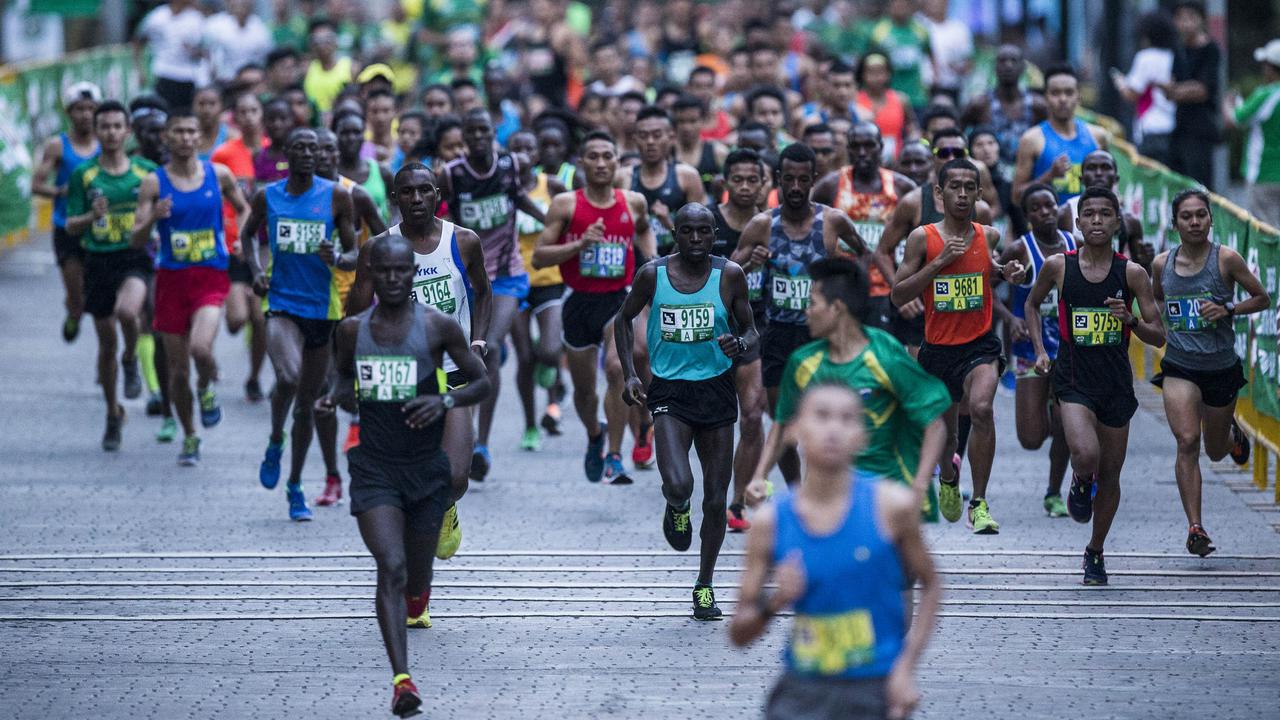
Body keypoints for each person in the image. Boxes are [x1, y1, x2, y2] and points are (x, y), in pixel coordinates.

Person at [317, 233, 490, 718]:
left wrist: (444, 399)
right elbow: (342, 379)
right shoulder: (351, 330)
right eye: (382, 272)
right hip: (375, 467)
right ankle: (402, 681)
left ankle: (421, 591)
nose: (392, 279)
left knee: (416, 570)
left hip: (424, 469)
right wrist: (334, 398)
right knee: (389, 567)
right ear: (371, 277)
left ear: (412, 276)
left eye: (401, 272)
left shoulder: (437, 328)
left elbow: (480, 381)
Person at [729, 382, 942, 720]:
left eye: (847, 419)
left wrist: (906, 667)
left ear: (862, 436)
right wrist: (776, 602)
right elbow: (738, 634)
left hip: (874, 689)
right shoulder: (773, 521)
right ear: (794, 431)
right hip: (801, 693)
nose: (833, 429)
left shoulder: (892, 507)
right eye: (822, 416)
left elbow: (931, 583)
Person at [615, 203, 758, 619]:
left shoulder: (729, 274)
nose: (696, 239)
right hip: (670, 392)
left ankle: (705, 585)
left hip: (715, 391)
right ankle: (676, 506)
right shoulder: (652, 275)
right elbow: (622, 321)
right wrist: (629, 375)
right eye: (687, 231)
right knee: (679, 483)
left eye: (703, 232)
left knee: (715, 499)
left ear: (715, 234)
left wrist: (740, 343)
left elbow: (750, 329)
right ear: (674, 234)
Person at [347, 162, 492, 562]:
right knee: (407, 477)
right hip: (401, 378)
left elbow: (482, 290)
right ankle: (414, 577)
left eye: (424, 190)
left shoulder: (463, 241)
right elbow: (354, 317)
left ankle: (446, 507)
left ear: (437, 196)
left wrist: (477, 340)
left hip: (454, 371)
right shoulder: (379, 249)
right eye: (407, 192)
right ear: (394, 199)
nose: (416, 199)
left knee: (456, 478)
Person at [1023, 187, 1165, 585]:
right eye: (1089, 214)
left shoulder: (1132, 273)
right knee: (1085, 454)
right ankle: (1080, 480)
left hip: (1116, 384)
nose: (1097, 220)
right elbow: (1032, 304)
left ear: (1118, 222)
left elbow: (1158, 335)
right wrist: (1039, 349)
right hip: (1072, 377)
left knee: (1112, 473)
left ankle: (1095, 551)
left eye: (1106, 214)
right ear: (1078, 222)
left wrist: (1131, 321)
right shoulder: (1059, 266)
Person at [748, 256, 950, 525]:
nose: (805, 312)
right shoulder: (802, 362)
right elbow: (783, 424)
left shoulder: (884, 354)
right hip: (826, 501)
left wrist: (920, 485)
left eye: (812, 304)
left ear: (837, 308)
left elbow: (935, 424)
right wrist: (759, 476)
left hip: (886, 499)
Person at [891, 158, 1025, 534]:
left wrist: (1006, 273)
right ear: (939, 192)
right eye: (955, 187)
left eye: (970, 187)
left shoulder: (988, 235)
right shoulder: (923, 238)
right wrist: (938, 263)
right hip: (938, 350)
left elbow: (991, 267)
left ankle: (980, 502)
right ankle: (949, 478)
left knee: (981, 408)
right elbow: (899, 294)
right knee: (947, 437)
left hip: (980, 345)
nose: (962, 194)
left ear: (979, 193)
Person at [238, 127, 359, 520]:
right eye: (300, 147)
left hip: (322, 309)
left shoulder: (337, 196)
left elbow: (354, 249)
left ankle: (294, 486)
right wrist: (256, 272)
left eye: (314, 147)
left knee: (307, 406)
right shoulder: (267, 195)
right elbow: (247, 234)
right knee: (289, 379)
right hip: (282, 303)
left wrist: (338, 257)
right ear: (287, 153)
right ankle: (275, 439)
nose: (308, 153)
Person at [732, 142, 863, 488]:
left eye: (802, 180)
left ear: (812, 180)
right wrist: (751, 263)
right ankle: (797, 490)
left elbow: (865, 256)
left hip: (823, 336)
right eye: (788, 179)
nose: (794, 187)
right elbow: (729, 274)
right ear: (777, 179)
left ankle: (827, 484)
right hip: (777, 334)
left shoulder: (832, 221)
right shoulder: (762, 225)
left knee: (826, 415)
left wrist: (846, 288)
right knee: (783, 419)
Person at [532, 130, 655, 484]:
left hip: (619, 299)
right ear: (582, 163)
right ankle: (594, 436)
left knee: (618, 369)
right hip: (578, 301)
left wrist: (650, 258)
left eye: (608, 156)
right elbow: (540, 257)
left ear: (617, 162)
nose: (601, 163)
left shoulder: (633, 202)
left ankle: (615, 456)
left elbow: (644, 229)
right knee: (585, 392)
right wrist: (580, 245)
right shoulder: (566, 205)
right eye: (594, 157)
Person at [1151, 189, 1269, 556]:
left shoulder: (1226, 260)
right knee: (1187, 440)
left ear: (1211, 220)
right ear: (1175, 224)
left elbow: (1262, 297)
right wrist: (1163, 327)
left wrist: (1228, 309)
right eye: (1187, 216)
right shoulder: (1161, 264)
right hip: (1180, 365)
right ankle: (1195, 527)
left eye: (1201, 215)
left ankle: (1232, 434)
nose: (1195, 222)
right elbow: (1157, 298)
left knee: (1215, 451)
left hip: (1220, 367)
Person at [130, 109, 249, 465]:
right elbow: (136, 238)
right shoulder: (154, 183)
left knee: (201, 348)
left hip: (210, 276)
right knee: (178, 372)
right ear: (167, 137)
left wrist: (239, 239)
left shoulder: (219, 174)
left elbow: (243, 209)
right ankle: (190, 435)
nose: (184, 137)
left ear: (199, 137)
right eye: (177, 131)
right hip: (171, 280)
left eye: (190, 131)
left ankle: (207, 387)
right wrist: (152, 217)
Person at [441, 109, 546, 481]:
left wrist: (553, 223)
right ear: (465, 137)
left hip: (506, 274)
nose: (479, 136)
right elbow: (442, 217)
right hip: (465, 276)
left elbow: (520, 200)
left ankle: (480, 443)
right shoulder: (451, 174)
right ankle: (461, 429)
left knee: (491, 345)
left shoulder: (510, 165)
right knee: (464, 352)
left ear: (494, 134)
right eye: (472, 131)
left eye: (485, 130)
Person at [64, 101, 157, 451]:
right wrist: (91, 216)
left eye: (118, 126)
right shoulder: (84, 175)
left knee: (128, 312)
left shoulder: (146, 172)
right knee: (106, 345)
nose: (112, 133)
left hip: (134, 257)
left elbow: (165, 209)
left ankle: (131, 358)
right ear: (97, 130)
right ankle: (112, 412)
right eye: (105, 127)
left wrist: (153, 221)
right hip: (98, 261)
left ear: (128, 131)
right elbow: (70, 226)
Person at [874, 127, 995, 354]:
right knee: (927, 385)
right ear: (933, 157)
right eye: (943, 152)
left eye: (957, 153)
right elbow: (882, 251)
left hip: (969, 313)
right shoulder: (914, 202)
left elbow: (988, 258)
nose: (951, 158)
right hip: (925, 311)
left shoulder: (981, 209)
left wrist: (1004, 270)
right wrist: (903, 295)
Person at [997, 183, 1075, 517]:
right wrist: (1009, 319)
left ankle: (1054, 491)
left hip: (1070, 350)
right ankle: (1044, 408)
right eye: (1036, 208)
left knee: (1066, 427)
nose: (1045, 212)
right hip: (1031, 348)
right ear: (1027, 216)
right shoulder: (1019, 248)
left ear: (1058, 208)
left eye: (1050, 206)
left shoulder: (1075, 244)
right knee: (1031, 438)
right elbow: (988, 288)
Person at [812, 121, 917, 335]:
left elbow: (921, 237)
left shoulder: (902, 187)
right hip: (844, 287)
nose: (862, 152)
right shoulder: (830, 186)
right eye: (855, 146)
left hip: (887, 287)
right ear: (847, 148)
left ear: (881, 147)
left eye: (869, 145)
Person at [710, 149, 768, 532]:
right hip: (710, 334)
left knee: (751, 415)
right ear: (725, 183)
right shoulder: (706, 223)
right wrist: (746, 266)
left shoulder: (776, 224)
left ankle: (738, 501)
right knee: (715, 422)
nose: (745, 187)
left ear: (764, 184)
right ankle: (707, 494)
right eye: (738, 180)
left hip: (756, 330)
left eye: (753, 180)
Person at [509, 131, 568, 450]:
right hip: (515, 282)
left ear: (536, 154)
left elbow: (571, 221)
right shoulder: (503, 188)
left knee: (547, 351)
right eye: (515, 147)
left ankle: (549, 371)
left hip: (549, 280)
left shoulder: (552, 186)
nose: (521, 153)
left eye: (527, 148)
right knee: (524, 359)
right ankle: (531, 425)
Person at [211, 91, 269, 402]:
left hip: (266, 245)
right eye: (242, 111)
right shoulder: (223, 154)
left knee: (260, 319)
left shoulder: (275, 153)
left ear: (262, 115)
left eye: (253, 110)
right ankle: (240, 315)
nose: (248, 117)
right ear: (235, 117)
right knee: (236, 319)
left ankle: (254, 377)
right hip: (233, 242)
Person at [33, 82, 101, 343]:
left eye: (90, 109)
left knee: (99, 294)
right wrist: (60, 192)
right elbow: (37, 185)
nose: (85, 115)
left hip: (98, 228)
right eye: (78, 109)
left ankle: (106, 343)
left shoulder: (107, 142)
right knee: (76, 295)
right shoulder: (57, 146)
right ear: (68, 113)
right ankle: (73, 312)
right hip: (66, 226)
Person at [1012, 63, 1110, 205]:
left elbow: (1111, 183)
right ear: (1045, 97)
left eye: (1069, 92)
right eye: (1055, 93)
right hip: (1048, 226)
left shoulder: (1098, 136)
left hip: (1089, 224)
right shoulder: (1031, 139)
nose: (1063, 99)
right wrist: (1049, 176)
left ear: (1078, 96)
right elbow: (1016, 197)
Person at [623, 105, 708, 258]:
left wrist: (669, 223)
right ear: (635, 139)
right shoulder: (622, 178)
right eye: (643, 135)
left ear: (671, 137)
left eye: (657, 135)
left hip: (680, 266)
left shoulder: (687, 176)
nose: (650, 142)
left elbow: (702, 233)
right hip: (634, 266)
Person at [1058, 150, 1153, 268]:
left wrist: (1146, 261)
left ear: (1116, 178)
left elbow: (1141, 271)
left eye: (1105, 167)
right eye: (1092, 168)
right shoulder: (1064, 214)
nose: (1098, 173)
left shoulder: (1131, 221)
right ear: (1081, 179)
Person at [1222, 40, 1280, 230]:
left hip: (1265, 174)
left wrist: (1228, 103)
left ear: (1272, 68)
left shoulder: (1267, 94)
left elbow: (1234, 120)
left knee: (1267, 232)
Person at [1164, 0, 1222, 189]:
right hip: (1179, 127)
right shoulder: (1177, 49)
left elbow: (1203, 90)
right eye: (1181, 18)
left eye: (1191, 17)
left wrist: (1177, 91)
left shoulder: (1210, 49)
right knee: (1178, 183)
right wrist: (1180, 91)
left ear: (1201, 20)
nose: (1186, 23)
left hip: (1200, 130)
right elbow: (1170, 89)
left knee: (1200, 184)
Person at [961, 44, 1047, 166]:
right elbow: (959, 136)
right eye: (1002, 61)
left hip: (1028, 174)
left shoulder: (1037, 105)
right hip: (989, 176)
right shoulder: (980, 104)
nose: (1008, 66)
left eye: (1014, 61)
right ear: (995, 67)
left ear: (1023, 67)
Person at [1113, 12, 1178, 166]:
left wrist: (1120, 83)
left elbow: (1132, 93)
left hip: (1150, 127)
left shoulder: (1145, 57)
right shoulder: (1174, 56)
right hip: (1173, 126)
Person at [133, 0, 206, 111]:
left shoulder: (196, 19)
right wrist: (140, 70)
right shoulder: (156, 17)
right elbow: (138, 41)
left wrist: (193, 51)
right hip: (164, 73)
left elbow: (206, 51)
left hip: (188, 76)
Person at [865, 0, 933, 110]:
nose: (900, 7)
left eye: (905, 4)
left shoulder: (921, 31)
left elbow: (930, 54)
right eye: (897, 4)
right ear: (890, 6)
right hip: (888, 96)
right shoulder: (879, 32)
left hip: (917, 96)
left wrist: (934, 78)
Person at [854, 53, 915, 160]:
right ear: (862, 74)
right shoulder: (854, 101)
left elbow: (912, 126)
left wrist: (913, 141)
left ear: (888, 74)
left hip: (897, 160)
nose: (876, 77)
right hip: (864, 158)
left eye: (880, 72)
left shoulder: (901, 99)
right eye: (871, 72)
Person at [335, 111, 394, 221]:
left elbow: (397, 206)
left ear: (364, 136)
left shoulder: (382, 172)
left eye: (356, 132)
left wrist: (392, 230)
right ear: (335, 136)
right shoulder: (329, 174)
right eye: (344, 133)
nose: (351, 138)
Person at [202, 0, 272, 84]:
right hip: (222, 82)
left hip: (251, 83)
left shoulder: (260, 27)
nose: (241, 3)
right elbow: (204, 54)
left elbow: (265, 57)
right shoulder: (213, 24)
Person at [672, 95, 729, 199]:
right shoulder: (667, 153)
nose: (687, 127)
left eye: (693, 121)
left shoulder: (718, 153)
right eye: (681, 121)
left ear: (702, 121)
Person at [302, 19, 354, 114]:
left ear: (336, 42)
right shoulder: (306, 69)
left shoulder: (350, 67)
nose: (322, 45)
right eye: (317, 41)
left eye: (327, 40)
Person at [194, 86, 235, 162]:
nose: (206, 109)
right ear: (193, 106)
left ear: (222, 106)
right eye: (201, 104)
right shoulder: (186, 136)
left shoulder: (231, 137)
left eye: (212, 104)